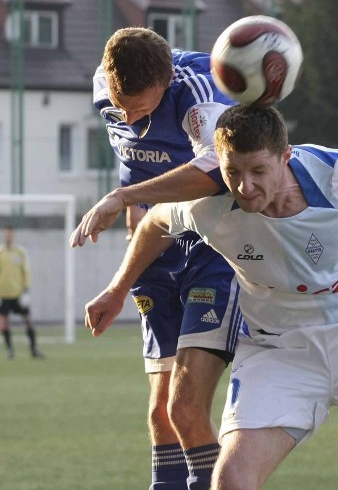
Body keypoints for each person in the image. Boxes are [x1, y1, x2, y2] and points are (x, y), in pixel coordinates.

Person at [85, 105, 338, 490]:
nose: (245, 187)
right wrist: (117, 289)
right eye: (233, 172)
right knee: (231, 480)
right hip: (277, 348)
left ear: (285, 156)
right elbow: (156, 224)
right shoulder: (207, 205)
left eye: (258, 171)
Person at [70, 28, 242, 490]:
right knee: (160, 414)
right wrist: (121, 282)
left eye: (141, 106)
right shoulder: (103, 87)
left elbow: (215, 171)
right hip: (156, 248)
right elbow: (136, 162)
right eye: (121, 102)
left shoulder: (201, 88)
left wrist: (121, 196)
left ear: (166, 82)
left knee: (184, 408)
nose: (128, 114)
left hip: (214, 248)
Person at [0, 227, 44, 359]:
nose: (8, 237)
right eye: (6, 235)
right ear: (4, 236)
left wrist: (26, 291)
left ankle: (34, 350)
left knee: (28, 321)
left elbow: (26, 272)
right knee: (5, 323)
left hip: (19, 294)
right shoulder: (0, 253)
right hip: (4, 295)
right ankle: (10, 350)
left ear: (13, 236)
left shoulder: (20, 253)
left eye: (10, 235)